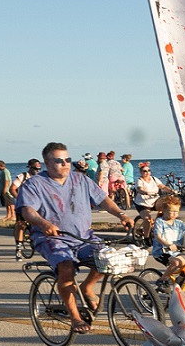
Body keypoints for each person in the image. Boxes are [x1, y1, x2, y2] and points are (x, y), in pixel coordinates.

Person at [17, 142, 134, 332]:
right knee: (66, 268)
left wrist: (121, 215)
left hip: (83, 236)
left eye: (68, 160)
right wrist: (44, 223)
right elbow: (27, 210)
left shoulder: (81, 179)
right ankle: (75, 318)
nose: (65, 164)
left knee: (108, 259)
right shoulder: (34, 184)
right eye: (59, 160)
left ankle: (87, 287)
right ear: (47, 162)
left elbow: (103, 199)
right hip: (52, 238)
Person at [148, 194, 185, 274]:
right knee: (176, 263)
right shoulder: (160, 222)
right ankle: (163, 280)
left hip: (174, 253)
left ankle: (182, 285)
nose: (175, 214)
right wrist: (168, 245)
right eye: (172, 211)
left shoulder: (179, 223)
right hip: (161, 252)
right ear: (164, 210)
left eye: (177, 212)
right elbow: (158, 237)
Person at [10, 160, 40, 252]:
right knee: (21, 225)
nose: (37, 171)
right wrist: (20, 199)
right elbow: (12, 189)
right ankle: (18, 246)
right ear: (29, 167)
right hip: (23, 205)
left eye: (39, 169)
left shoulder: (40, 177)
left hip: (35, 205)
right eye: (35, 169)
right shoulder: (22, 177)